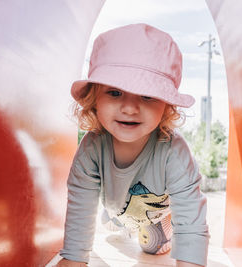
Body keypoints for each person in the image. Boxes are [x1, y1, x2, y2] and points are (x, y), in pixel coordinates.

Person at [56, 23, 209, 267]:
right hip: (117, 208)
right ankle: (117, 222)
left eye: (147, 95)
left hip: (157, 213)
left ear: (166, 105)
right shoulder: (91, 148)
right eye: (115, 92)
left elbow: (191, 218)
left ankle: (156, 231)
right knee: (113, 223)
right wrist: (73, 258)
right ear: (94, 98)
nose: (129, 108)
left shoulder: (174, 151)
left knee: (153, 247)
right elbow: (80, 207)